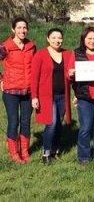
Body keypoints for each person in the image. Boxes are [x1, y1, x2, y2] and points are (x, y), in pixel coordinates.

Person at [68, 27, 94, 163]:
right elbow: (69, 77)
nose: (93, 41)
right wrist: (70, 74)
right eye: (89, 38)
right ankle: (84, 157)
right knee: (85, 128)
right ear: (83, 39)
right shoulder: (76, 54)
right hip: (84, 97)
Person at [31, 28, 72, 164]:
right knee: (52, 123)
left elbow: (71, 74)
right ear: (48, 39)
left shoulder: (67, 54)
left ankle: (55, 149)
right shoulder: (41, 54)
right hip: (46, 96)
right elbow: (34, 77)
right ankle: (46, 152)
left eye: (59, 37)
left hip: (62, 95)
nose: (57, 40)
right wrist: (34, 97)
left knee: (59, 124)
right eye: (53, 37)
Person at [0, 17, 36, 163]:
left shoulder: (31, 46)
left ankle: (25, 151)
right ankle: (14, 153)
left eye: (25, 27)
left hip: (28, 92)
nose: (22, 30)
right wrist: (1, 79)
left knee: (26, 121)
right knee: (14, 121)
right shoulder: (5, 46)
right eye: (19, 28)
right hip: (11, 91)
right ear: (13, 29)